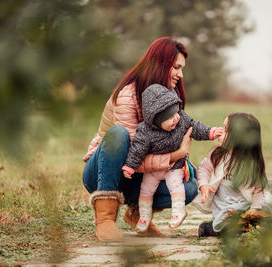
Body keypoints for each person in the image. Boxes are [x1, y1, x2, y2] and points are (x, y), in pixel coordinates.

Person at [82, 37, 199, 242]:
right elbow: (130, 156)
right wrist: (174, 155)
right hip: (105, 172)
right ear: (161, 65)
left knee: (189, 184)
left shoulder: (169, 96)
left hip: (136, 177)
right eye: (176, 67)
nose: (181, 75)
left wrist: (181, 160)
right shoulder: (128, 94)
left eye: (182, 68)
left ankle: (137, 213)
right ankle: (105, 218)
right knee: (119, 134)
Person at [122, 84, 224, 232]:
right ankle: (143, 216)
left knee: (175, 185)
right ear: (155, 120)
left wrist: (211, 132)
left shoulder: (182, 120)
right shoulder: (145, 131)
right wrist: (129, 166)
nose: (175, 119)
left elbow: (195, 128)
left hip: (174, 166)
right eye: (169, 118)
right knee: (146, 190)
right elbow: (137, 149)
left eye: (175, 113)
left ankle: (178, 212)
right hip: (154, 169)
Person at [191, 112, 272, 236]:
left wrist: (253, 209)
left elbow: (259, 189)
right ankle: (213, 229)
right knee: (229, 222)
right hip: (225, 209)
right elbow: (204, 168)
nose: (219, 131)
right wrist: (203, 184)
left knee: (267, 209)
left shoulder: (251, 163)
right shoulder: (217, 154)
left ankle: (243, 226)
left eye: (225, 129)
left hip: (246, 206)